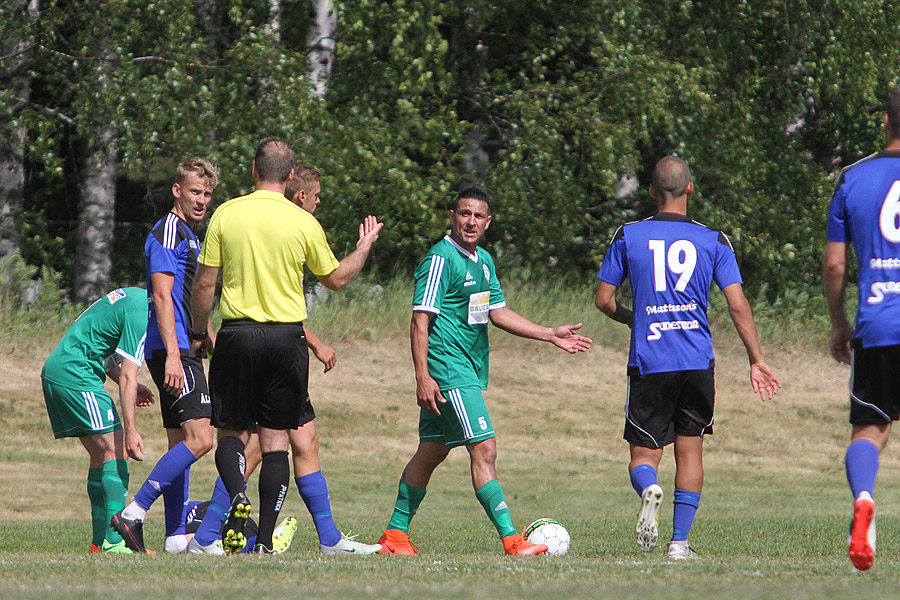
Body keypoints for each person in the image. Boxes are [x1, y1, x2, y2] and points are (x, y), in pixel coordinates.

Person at [191, 138, 383, 554]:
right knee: (276, 439)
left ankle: (236, 499)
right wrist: (363, 248)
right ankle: (263, 539)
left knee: (230, 434)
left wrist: (196, 330)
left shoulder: (227, 213)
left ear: (253, 170)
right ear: (291, 175)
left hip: (238, 333)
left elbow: (206, 282)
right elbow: (336, 279)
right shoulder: (303, 223)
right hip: (286, 338)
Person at [376, 186, 592, 556]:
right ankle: (512, 540)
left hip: (466, 369)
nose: (470, 221)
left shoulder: (483, 260)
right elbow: (419, 322)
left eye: (478, 216)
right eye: (464, 213)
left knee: (432, 451)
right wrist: (423, 376)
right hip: (449, 369)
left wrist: (549, 333)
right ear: (452, 216)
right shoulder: (441, 259)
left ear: (488, 222)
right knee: (485, 448)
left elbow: (497, 312)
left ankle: (395, 536)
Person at [594, 156, 781, 559]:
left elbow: (603, 300)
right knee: (690, 450)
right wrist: (756, 358)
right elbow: (738, 306)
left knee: (644, 456)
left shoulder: (628, 235)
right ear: (690, 189)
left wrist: (633, 319)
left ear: (651, 192)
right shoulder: (714, 240)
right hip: (697, 361)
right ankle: (679, 543)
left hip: (651, 359)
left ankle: (648, 488)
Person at [111, 159, 219, 554]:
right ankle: (134, 512)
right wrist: (174, 355)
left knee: (180, 443)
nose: (201, 200)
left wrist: (208, 339)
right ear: (177, 190)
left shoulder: (189, 234)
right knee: (201, 439)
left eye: (207, 194)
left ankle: (175, 537)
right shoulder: (168, 231)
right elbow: (160, 296)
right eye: (194, 192)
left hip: (183, 349)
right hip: (173, 353)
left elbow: (189, 301)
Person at [824, 86, 900, 572]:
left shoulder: (853, 178)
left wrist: (838, 324)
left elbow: (835, 267)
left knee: (869, 430)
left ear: (885, 124)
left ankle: (865, 498)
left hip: (877, 324)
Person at [40, 287, 155, 554]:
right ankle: (116, 542)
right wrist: (131, 430)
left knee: (101, 456)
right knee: (116, 451)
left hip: (60, 369)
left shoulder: (133, 298)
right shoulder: (144, 313)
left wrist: (131, 386)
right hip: (76, 374)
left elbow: (102, 352)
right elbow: (129, 374)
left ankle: (99, 542)